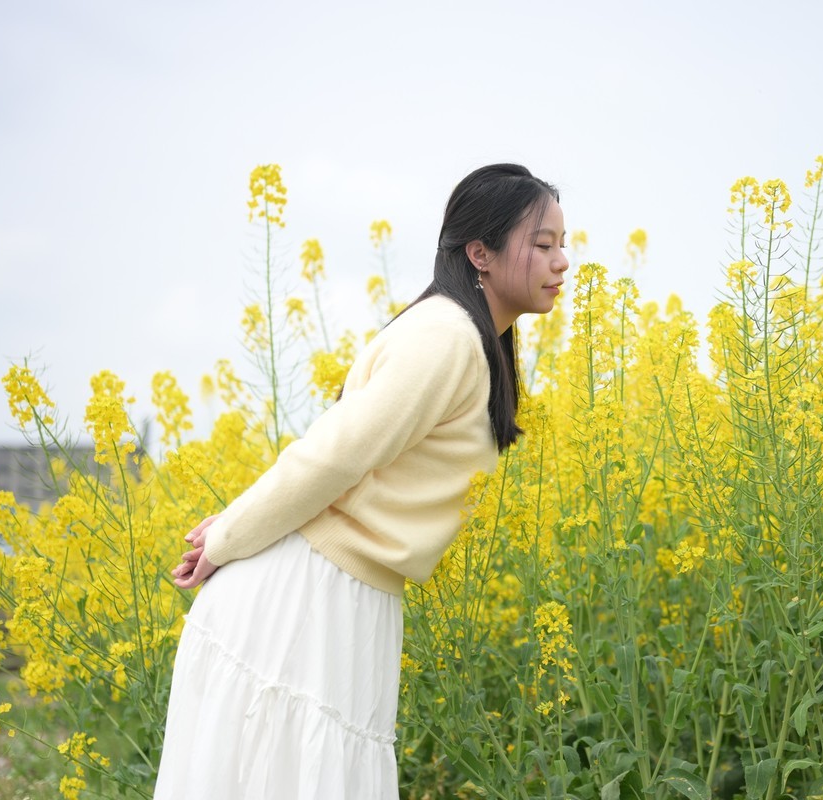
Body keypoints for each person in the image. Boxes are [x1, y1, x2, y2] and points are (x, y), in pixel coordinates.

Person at [153, 163, 569, 799]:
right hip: (304, 598)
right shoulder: (447, 337)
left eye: (562, 245)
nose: (561, 262)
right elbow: (334, 456)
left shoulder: (469, 340)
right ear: (479, 253)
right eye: (542, 244)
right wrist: (227, 537)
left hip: (347, 598)